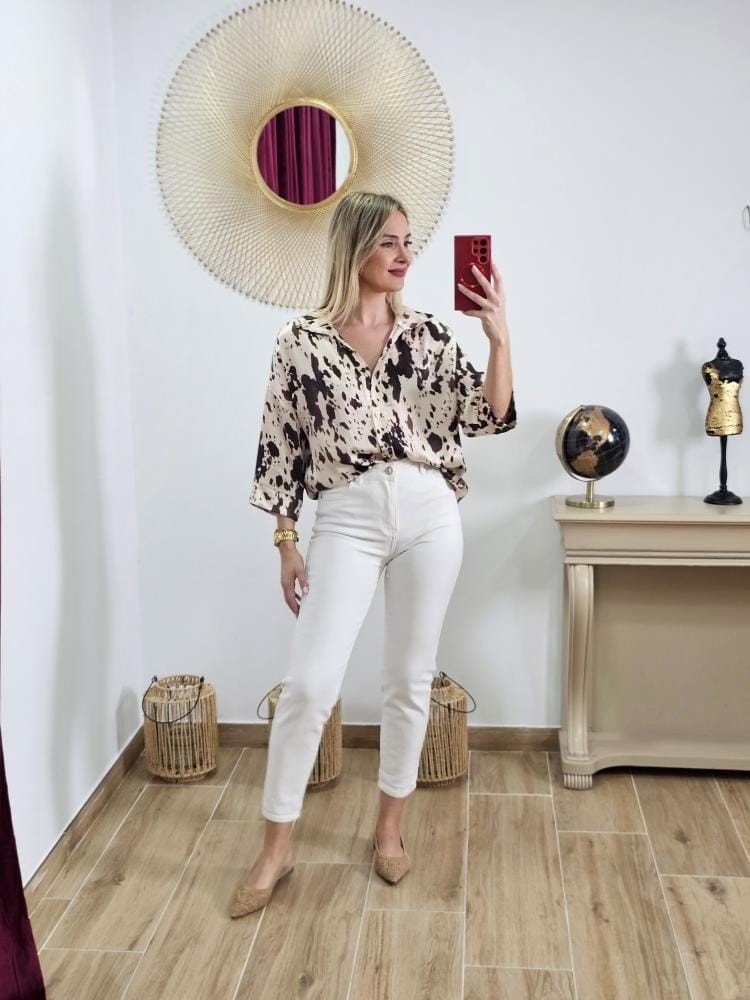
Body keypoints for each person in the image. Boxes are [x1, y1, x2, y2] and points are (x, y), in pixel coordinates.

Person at [230, 191, 516, 918]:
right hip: (347, 517)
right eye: (388, 241)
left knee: (408, 681)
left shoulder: (429, 335)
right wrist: (286, 542)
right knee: (309, 687)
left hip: (429, 512)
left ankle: (388, 830)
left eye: (408, 241)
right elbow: (280, 448)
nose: (404, 255)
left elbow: (489, 415)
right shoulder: (302, 341)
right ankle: (275, 849)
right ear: (354, 245)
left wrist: (499, 338)